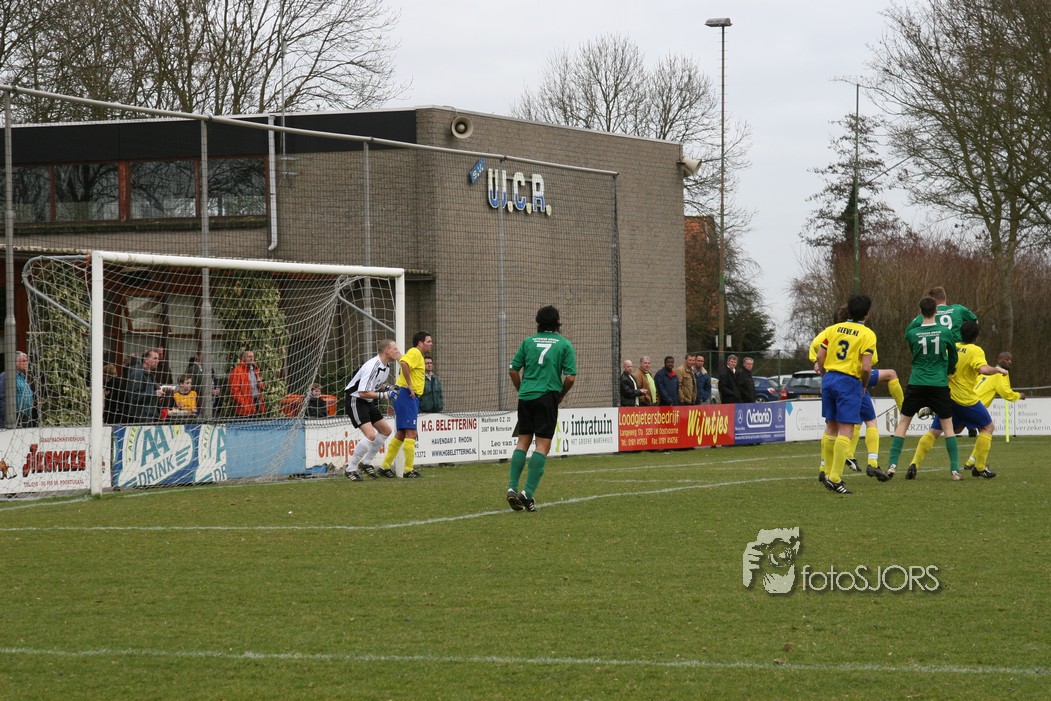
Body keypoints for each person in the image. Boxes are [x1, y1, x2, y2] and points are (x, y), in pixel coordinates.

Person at [901, 321, 1007, 480]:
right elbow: (982, 369)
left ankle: (914, 464)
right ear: (976, 336)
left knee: (935, 431)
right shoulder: (975, 350)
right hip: (965, 399)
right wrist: (996, 369)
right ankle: (979, 468)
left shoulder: (952, 346)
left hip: (946, 396)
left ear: (959, 333)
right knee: (988, 427)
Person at [506, 306, 576, 512]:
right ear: (557, 323)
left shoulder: (528, 342)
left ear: (538, 322)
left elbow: (513, 370)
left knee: (522, 442)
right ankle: (527, 493)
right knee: (542, 445)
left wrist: (521, 389)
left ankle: (511, 488)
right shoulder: (564, 344)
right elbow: (571, 377)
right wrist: (561, 395)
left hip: (526, 397)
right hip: (547, 397)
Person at [884, 297, 959, 481]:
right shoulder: (945, 332)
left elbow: (909, 339)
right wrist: (947, 370)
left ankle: (892, 465)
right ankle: (955, 471)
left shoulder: (913, 333)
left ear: (920, 311)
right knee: (948, 427)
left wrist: (917, 320)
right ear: (936, 311)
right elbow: (954, 357)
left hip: (916, 382)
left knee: (903, 423)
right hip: (938, 384)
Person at [815, 294, 878, 494]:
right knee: (847, 431)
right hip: (849, 382)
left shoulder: (832, 330)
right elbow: (866, 368)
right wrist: (864, 385)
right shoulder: (867, 334)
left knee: (831, 427)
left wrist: (825, 376)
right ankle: (835, 478)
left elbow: (820, 356)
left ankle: (826, 473)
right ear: (867, 313)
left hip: (830, 379)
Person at [344, 339, 401, 480]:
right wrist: (385, 395)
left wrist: (388, 387)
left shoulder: (386, 366)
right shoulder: (372, 366)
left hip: (367, 400)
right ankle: (351, 469)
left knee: (386, 431)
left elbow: (376, 384)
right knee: (370, 435)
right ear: (387, 351)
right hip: (356, 399)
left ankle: (366, 462)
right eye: (394, 349)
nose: (397, 351)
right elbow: (362, 392)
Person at [379, 331, 433, 479]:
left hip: (406, 396)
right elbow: (404, 363)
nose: (431, 344)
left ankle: (385, 466)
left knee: (402, 433)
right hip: (407, 395)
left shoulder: (416, 354)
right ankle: (408, 470)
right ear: (420, 343)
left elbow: (403, 360)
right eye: (428, 341)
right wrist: (410, 385)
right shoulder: (415, 352)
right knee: (411, 433)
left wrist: (399, 357)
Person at [966, 351, 1024, 469]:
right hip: (976, 406)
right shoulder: (1000, 374)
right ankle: (979, 467)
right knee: (988, 430)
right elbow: (1005, 392)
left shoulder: (986, 372)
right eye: (1007, 359)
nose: (1010, 362)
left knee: (983, 432)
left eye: (1010, 359)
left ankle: (971, 463)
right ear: (999, 360)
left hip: (967, 402)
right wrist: (1019, 396)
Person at [906, 285, 976, 345]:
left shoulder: (928, 314)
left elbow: (908, 332)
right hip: (958, 349)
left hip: (938, 350)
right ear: (945, 297)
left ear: (933, 300)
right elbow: (975, 321)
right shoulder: (958, 309)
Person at [125, 348, 165, 423]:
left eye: (158, 359)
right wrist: (154, 393)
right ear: (146, 360)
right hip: (141, 418)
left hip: (151, 416)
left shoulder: (150, 375)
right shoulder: (137, 374)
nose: (158, 361)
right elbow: (134, 396)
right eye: (155, 358)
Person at [0, 351, 35, 428]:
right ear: (15, 363)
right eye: (23, 361)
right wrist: (7, 417)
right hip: (14, 418)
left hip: (26, 417)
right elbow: (1, 397)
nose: (26, 363)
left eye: (27, 361)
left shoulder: (22, 377)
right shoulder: (6, 376)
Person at [229, 350, 266, 417]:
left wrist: (261, 384)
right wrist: (244, 403)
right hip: (245, 407)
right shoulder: (237, 371)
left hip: (257, 403)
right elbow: (234, 391)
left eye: (253, 356)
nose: (251, 358)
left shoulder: (255, 369)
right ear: (243, 358)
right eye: (249, 356)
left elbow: (260, 386)